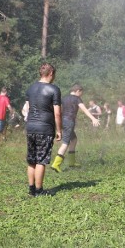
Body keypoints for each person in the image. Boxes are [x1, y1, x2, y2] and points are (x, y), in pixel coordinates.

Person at [23, 63, 62, 197]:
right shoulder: (54, 89)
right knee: (41, 160)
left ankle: (31, 189)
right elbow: (57, 113)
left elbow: (26, 109)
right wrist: (59, 130)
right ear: (51, 73)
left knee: (32, 160)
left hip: (30, 127)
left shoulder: (31, 88)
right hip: (44, 128)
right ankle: (39, 190)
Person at [51, 84, 100, 173]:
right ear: (78, 91)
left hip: (63, 121)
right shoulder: (77, 98)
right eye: (81, 93)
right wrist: (93, 118)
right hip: (69, 122)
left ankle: (72, 162)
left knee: (74, 140)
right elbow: (84, 110)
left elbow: (59, 111)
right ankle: (56, 164)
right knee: (65, 142)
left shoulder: (64, 98)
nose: (81, 95)